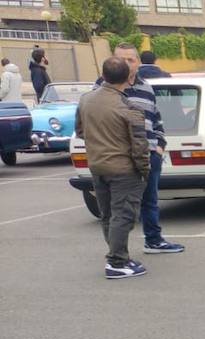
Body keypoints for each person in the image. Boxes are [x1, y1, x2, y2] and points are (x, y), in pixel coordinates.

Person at [76, 57, 151, 279]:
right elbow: (139, 146)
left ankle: (119, 256)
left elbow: (80, 131)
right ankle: (117, 261)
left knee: (108, 215)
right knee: (123, 215)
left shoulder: (86, 100)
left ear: (103, 75)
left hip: (98, 165)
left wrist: (99, 142)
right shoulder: (130, 108)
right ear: (129, 77)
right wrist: (144, 171)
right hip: (123, 169)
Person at [110, 43, 183, 256]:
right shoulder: (105, 88)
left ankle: (153, 240)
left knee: (150, 200)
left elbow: (156, 119)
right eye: (121, 59)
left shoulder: (146, 87)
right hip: (122, 156)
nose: (126, 64)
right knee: (121, 207)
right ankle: (117, 256)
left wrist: (159, 146)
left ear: (138, 63)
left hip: (149, 154)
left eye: (130, 60)